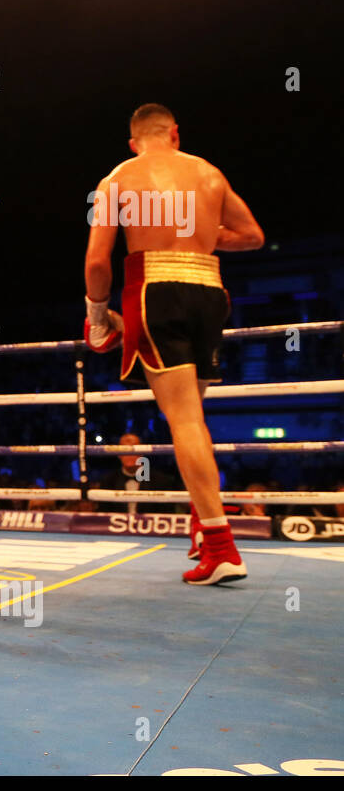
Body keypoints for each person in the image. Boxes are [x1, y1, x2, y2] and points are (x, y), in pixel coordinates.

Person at [83, 103, 264, 585]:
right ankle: (206, 530)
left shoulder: (119, 178)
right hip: (209, 291)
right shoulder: (210, 174)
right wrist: (199, 234)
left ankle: (223, 547)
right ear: (176, 134)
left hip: (154, 288)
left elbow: (99, 262)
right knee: (193, 421)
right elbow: (251, 235)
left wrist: (98, 318)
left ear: (133, 141)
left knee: (182, 420)